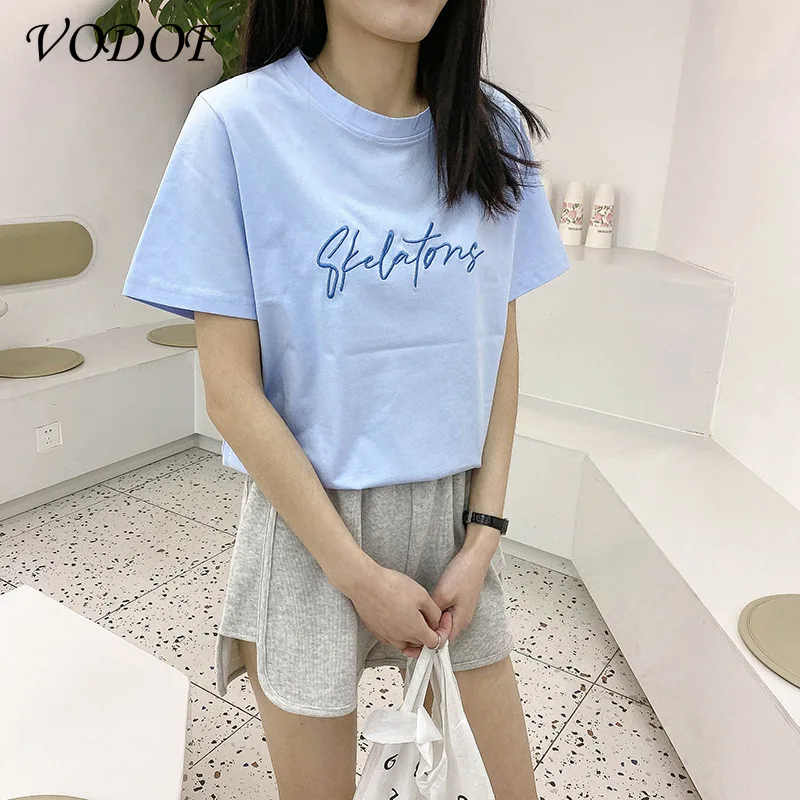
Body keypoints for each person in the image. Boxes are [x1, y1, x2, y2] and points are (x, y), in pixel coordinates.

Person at [122, 0, 570, 796]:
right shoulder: (236, 126)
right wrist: (356, 574)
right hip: (309, 528)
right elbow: (230, 392)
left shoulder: (490, 128)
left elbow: (499, 348)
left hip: (457, 523)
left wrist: (483, 537)